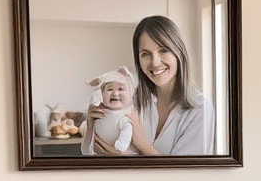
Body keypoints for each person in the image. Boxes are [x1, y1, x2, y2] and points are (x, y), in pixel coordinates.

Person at [90, 15, 215, 158]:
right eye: (145, 54)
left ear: (178, 51)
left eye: (163, 50)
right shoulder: (132, 101)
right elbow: (101, 149)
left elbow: (186, 174)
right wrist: (93, 125)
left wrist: (142, 145)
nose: (155, 63)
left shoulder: (200, 109)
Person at [80, 67, 138, 156]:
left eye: (120, 89)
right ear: (102, 93)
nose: (115, 93)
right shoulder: (98, 112)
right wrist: (89, 126)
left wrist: (120, 146)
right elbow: (86, 149)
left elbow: (127, 129)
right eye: (110, 89)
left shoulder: (126, 115)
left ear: (130, 93)